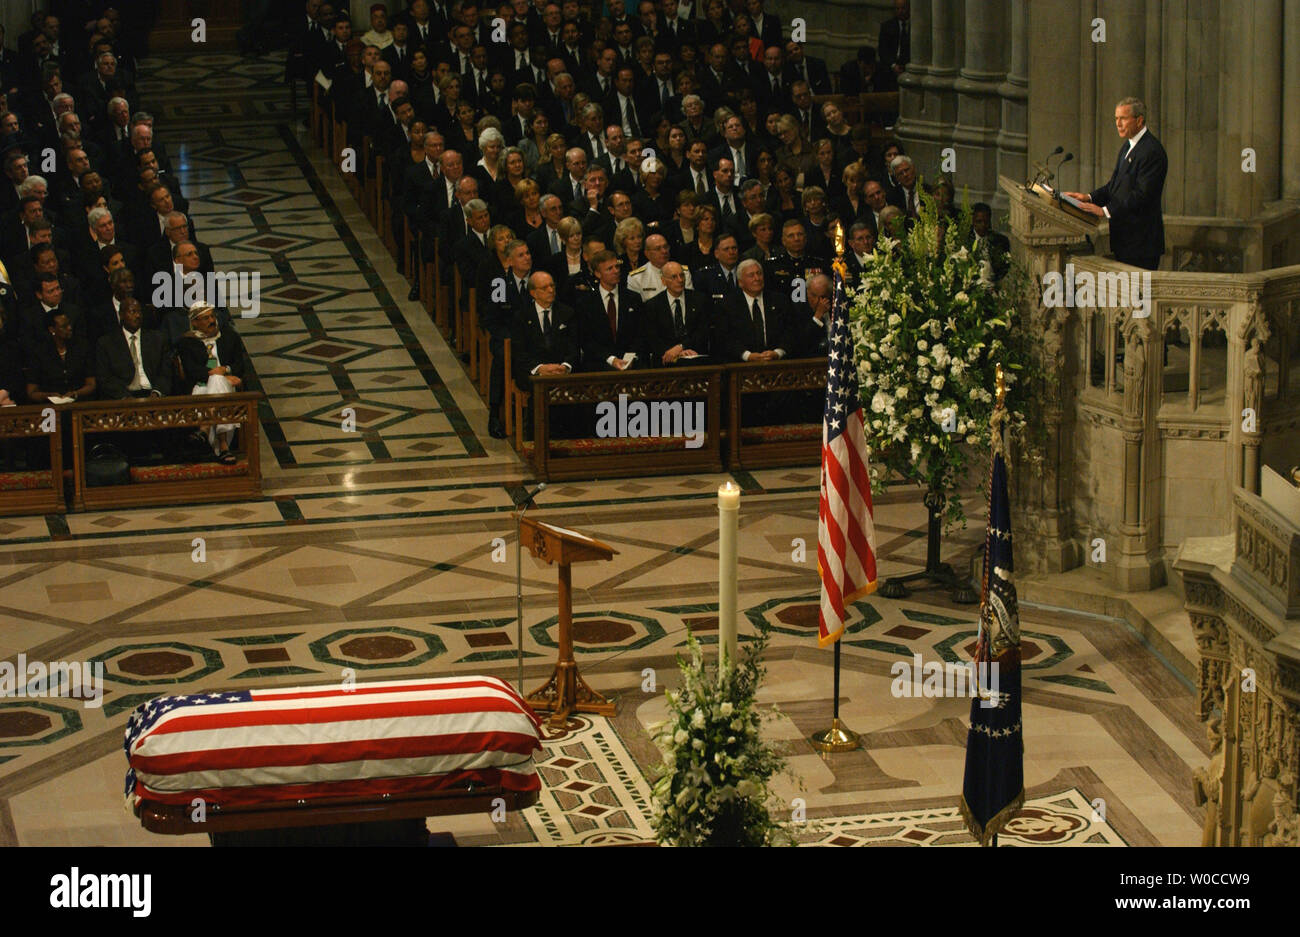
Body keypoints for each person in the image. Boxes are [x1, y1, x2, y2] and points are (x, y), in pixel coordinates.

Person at [1063, 96, 1168, 270]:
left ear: (1139, 120)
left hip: (1141, 245)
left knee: (1136, 296)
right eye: (1116, 119)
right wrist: (1089, 197)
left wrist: (1105, 210)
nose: (1118, 124)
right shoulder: (1128, 146)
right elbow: (1115, 185)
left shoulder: (1152, 151)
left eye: (1123, 118)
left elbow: (1142, 195)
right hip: (1124, 240)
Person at [177, 301, 248, 463]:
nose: (211, 321)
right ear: (195, 322)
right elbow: (191, 370)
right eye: (205, 318)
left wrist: (225, 370)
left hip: (226, 384)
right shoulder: (187, 342)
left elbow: (240, 365)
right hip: (202, 385)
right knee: (215, 381)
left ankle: (204, 428)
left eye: (212, 316)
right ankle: (223, 447)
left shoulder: (229, 336)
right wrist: (215, 375)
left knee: (217, 381)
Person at [643, 261, 711, 365]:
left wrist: (681, 347)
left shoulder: (699, 300)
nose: (680, 280)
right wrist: (673, 353)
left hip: (694, 356)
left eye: (682, 275)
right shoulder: (653, 305)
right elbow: (653, 338)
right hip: (666, 360)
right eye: (674, 277)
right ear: (663, 281)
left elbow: (702, 331)